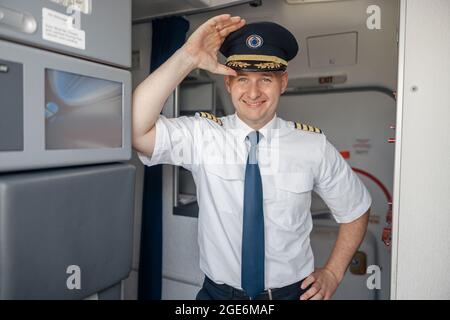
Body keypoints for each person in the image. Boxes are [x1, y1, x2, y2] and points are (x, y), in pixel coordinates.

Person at [132, 14, 371, 300]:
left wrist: (332, 273)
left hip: (290, 295)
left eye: (265, 79)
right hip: (218, 295)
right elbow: (136, 130)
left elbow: (356, 208)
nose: (253, 92)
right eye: (242, 79)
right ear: (229, 85)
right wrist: (188, 57)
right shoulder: (203, 135)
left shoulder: (313, 146)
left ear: (283, 82)